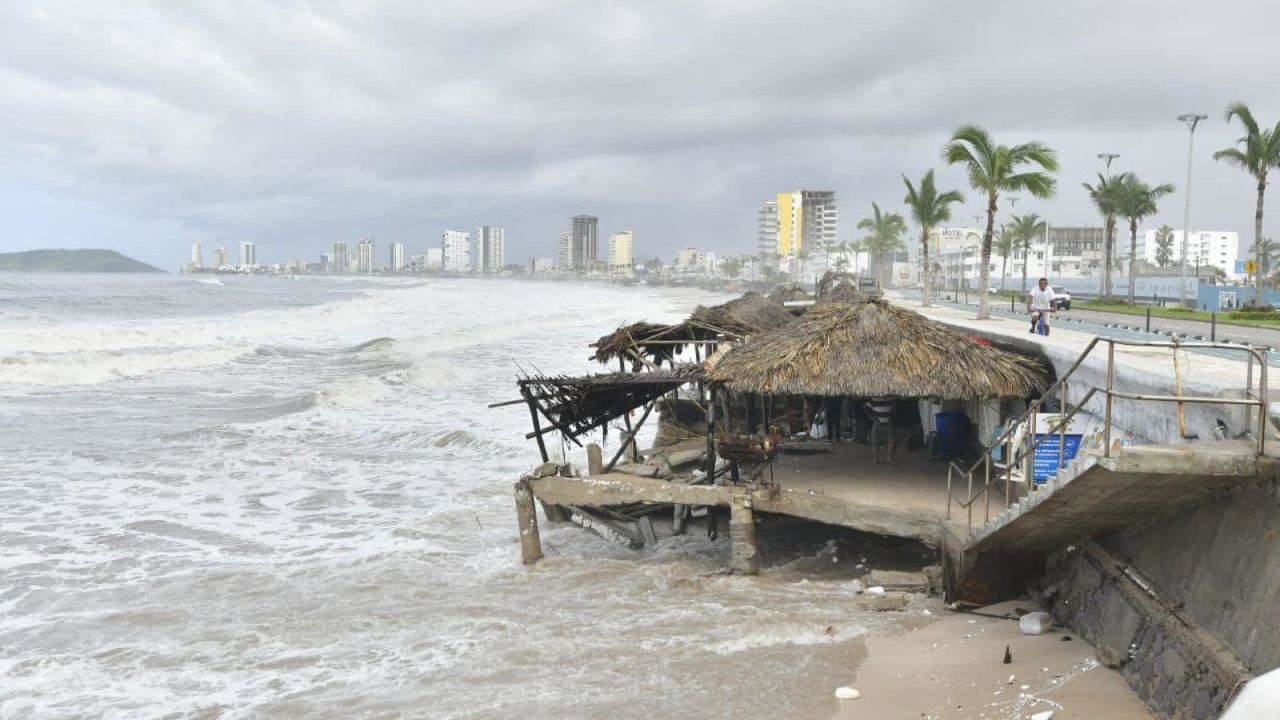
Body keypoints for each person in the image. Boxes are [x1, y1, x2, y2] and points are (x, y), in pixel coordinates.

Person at [865, 397, 895, 464]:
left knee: (891, 439)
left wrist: (892, 416)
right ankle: (876, 459)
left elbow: (894, 408)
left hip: (888, 422)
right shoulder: (874, 399)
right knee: (875, 440)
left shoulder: (891, 399)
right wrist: (871, 417)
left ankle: (889, 458)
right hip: (877, 423)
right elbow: (865, 407)